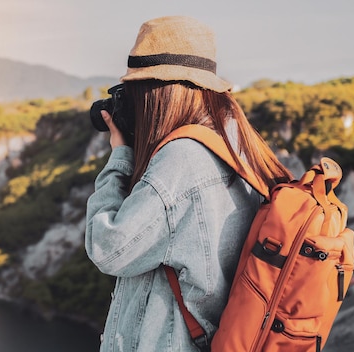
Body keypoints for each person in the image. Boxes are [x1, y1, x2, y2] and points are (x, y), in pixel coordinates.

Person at [85, 16, 292, 351]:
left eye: (136, 94)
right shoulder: (235, 139)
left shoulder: (182, 160)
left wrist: (120, 156)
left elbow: (108, 249)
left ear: (156, 94)